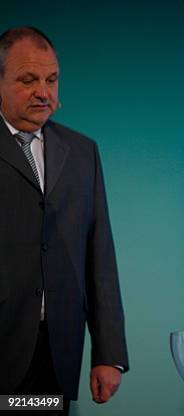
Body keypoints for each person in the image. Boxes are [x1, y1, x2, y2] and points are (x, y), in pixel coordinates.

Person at [0, 27, 128, 414]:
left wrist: (109, 353)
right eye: (28, 80)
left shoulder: (81, 151)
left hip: (55, 352)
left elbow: (99, 254)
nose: (43, 91)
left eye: (51, 79)